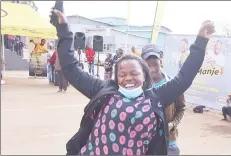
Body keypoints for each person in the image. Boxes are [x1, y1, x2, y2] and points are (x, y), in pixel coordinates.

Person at [52, 10, 214, 155]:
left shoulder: (156, 97)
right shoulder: (103, 90)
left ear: (144, 76)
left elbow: (184, 78)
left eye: (134, 73)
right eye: (122, 74)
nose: (128, 77)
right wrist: (64, 31)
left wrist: (200, 42)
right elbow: (71, 69)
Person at [141, 44, 186, 155]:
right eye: (148, 65)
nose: (152, 69)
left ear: (160, 61)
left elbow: (181, 108)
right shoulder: (140, 87)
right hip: (147, 141)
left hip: (169, 141)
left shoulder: (173, 84)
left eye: (155, 64)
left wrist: (173, 124)